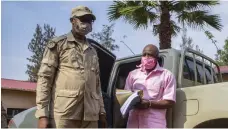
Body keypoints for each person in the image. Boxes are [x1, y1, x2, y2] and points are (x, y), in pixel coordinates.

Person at [35, 5, 107, 128]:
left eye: (90, 20)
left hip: (90, 116)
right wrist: (42, 114)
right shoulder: (58, 45)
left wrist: (101, 111)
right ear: (73, 20)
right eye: (83, 19)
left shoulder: (92, 51)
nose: (87, 23)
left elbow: (97, 84)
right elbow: (44, 79)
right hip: (65, 114)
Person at [124, 44, 176, 128]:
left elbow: (170, 102)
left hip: (154, 124)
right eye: (144, 54)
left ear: (157, 58)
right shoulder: (133, 74)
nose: (146, 57)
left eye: (150, 54)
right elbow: (126, 96)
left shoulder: (167, 75)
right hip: (133, 123)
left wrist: (149, 104)